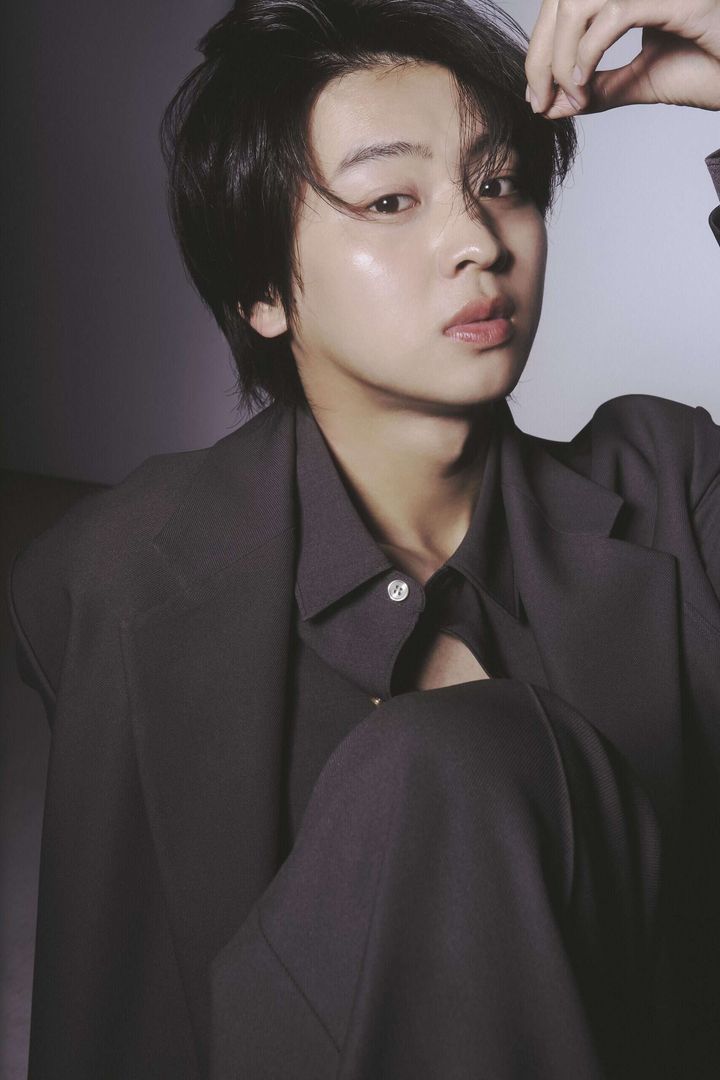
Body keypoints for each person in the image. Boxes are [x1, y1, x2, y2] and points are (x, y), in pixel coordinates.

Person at [7, 0, 720, 1076]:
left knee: (461, 760)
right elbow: (116, 997)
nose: (479, 242)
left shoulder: (669, 490)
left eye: (500, 183)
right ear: (262, 288)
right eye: (391, 200)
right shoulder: (127, 575)